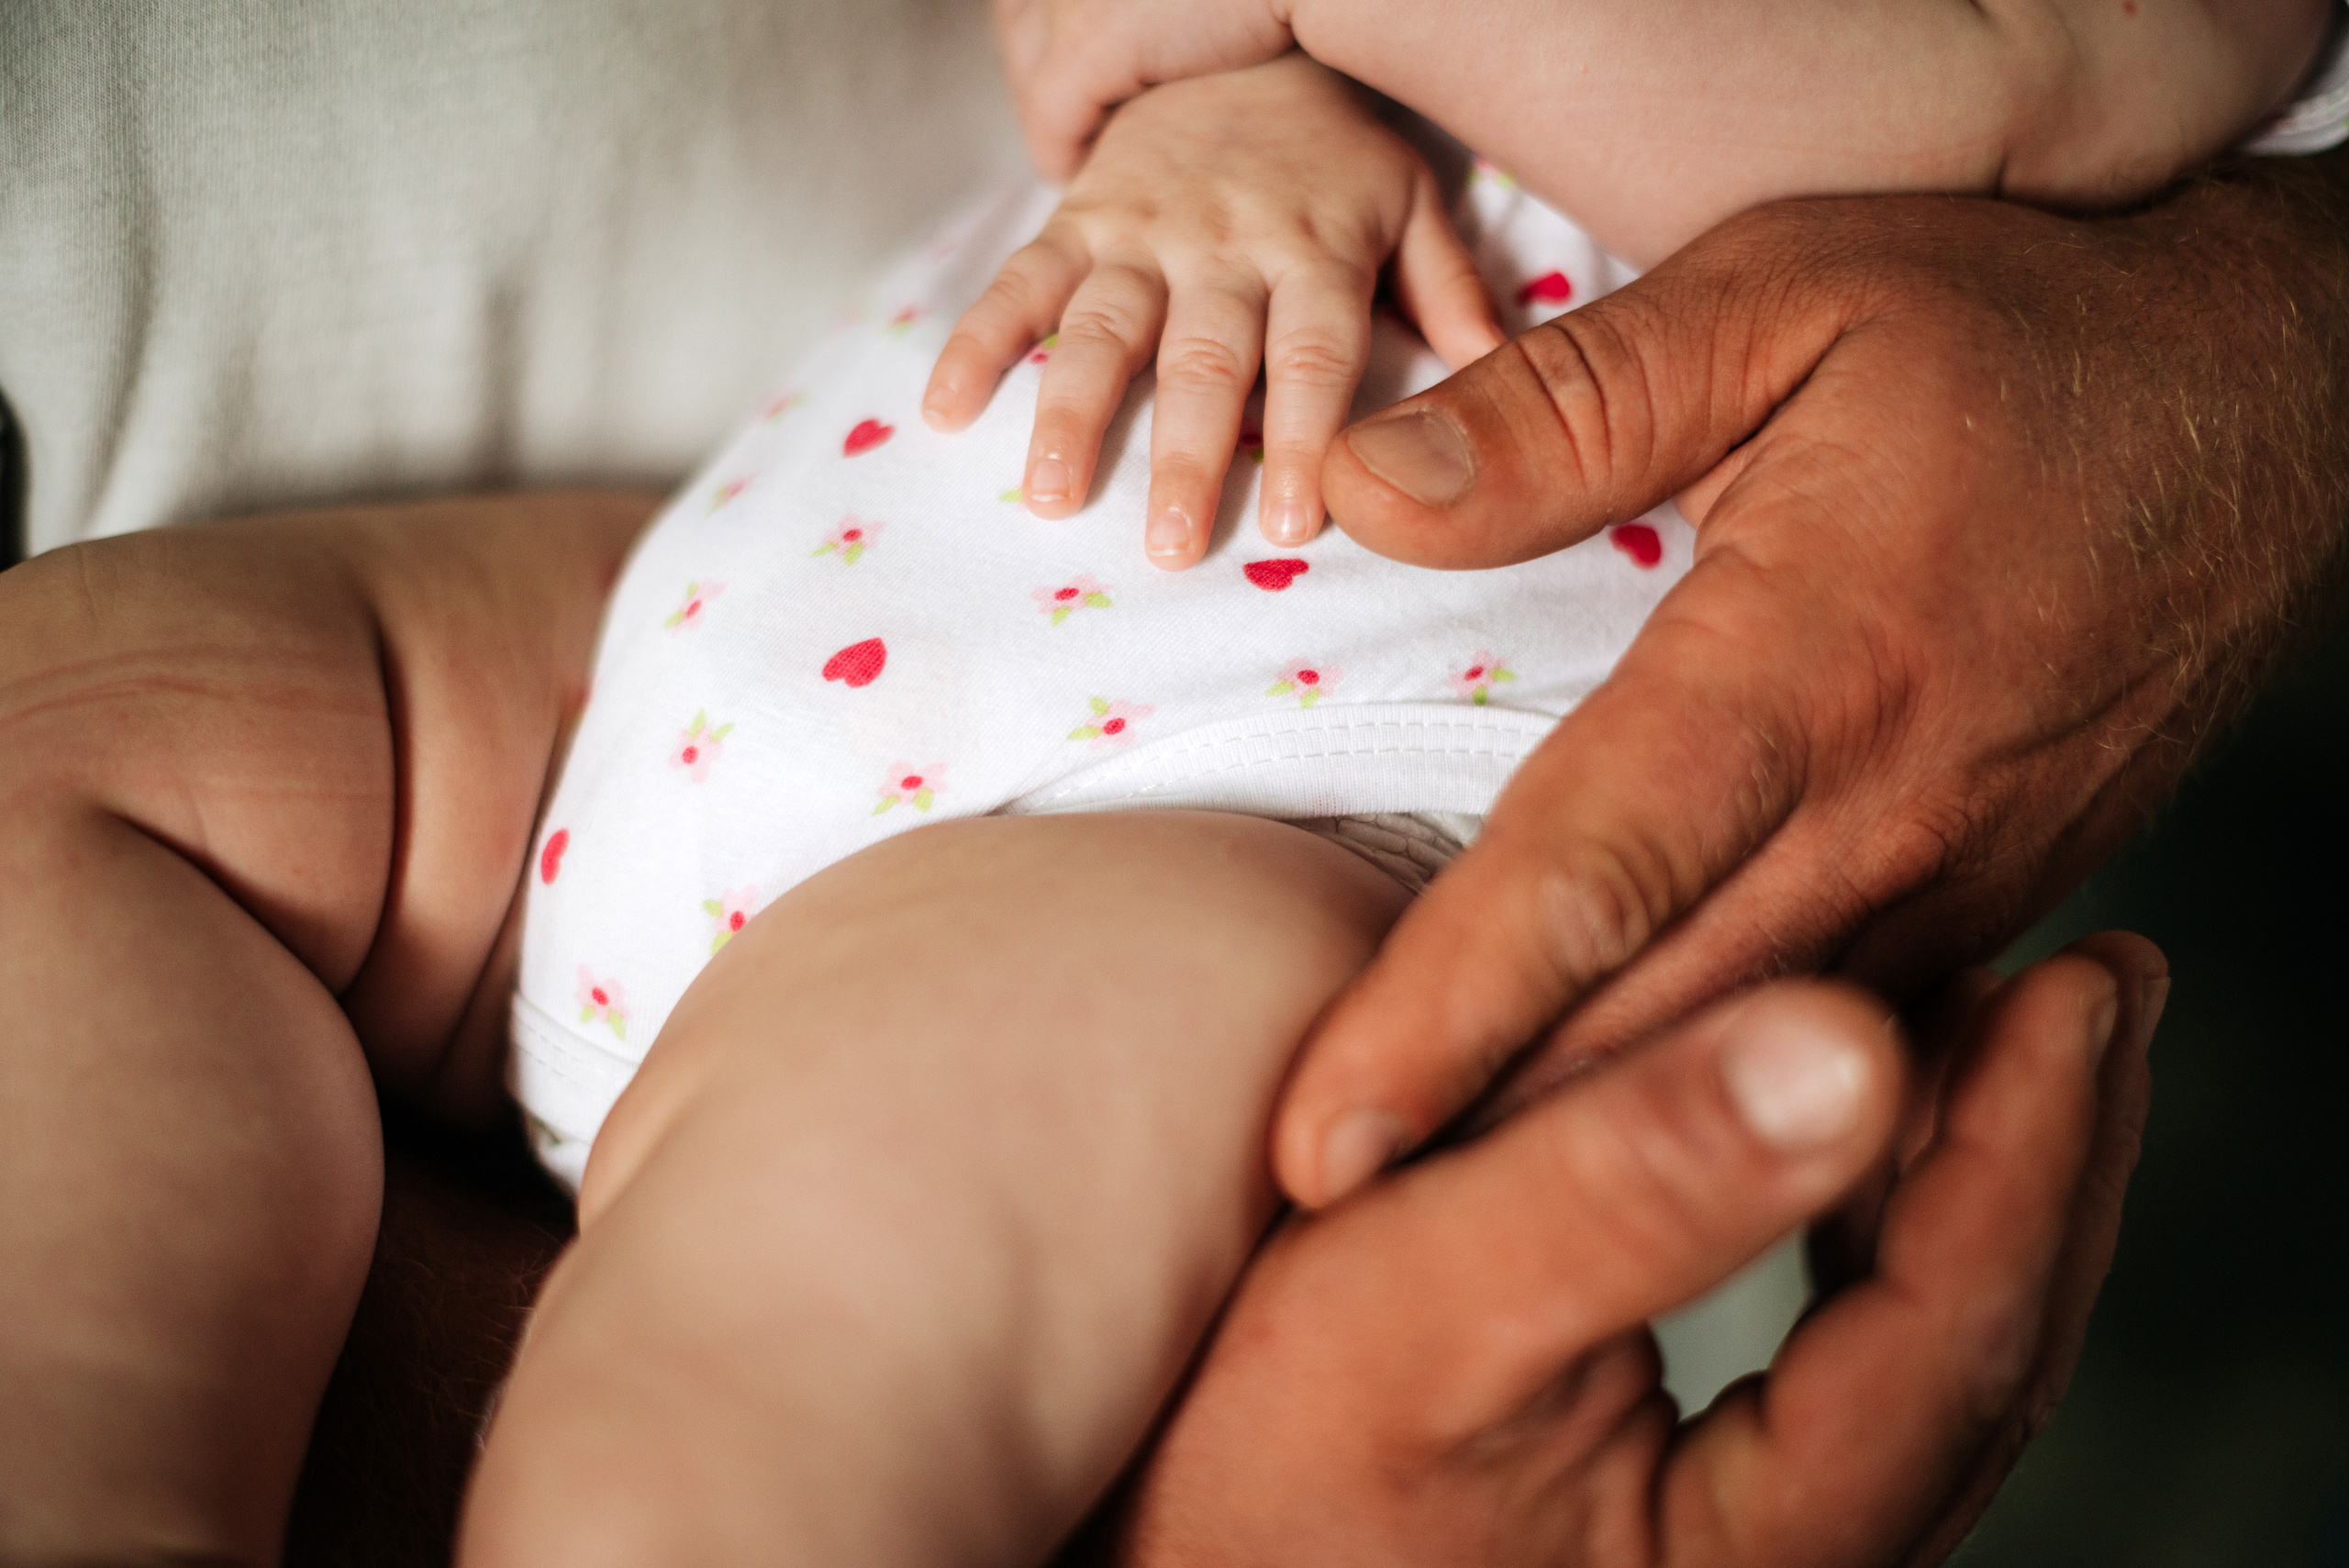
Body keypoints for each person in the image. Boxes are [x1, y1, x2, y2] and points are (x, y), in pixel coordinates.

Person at [1, 10, 2343, 1568]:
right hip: (735, 586)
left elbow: (1985, 83)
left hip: (1183, 806)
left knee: (772, 1367)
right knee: (70, 750)